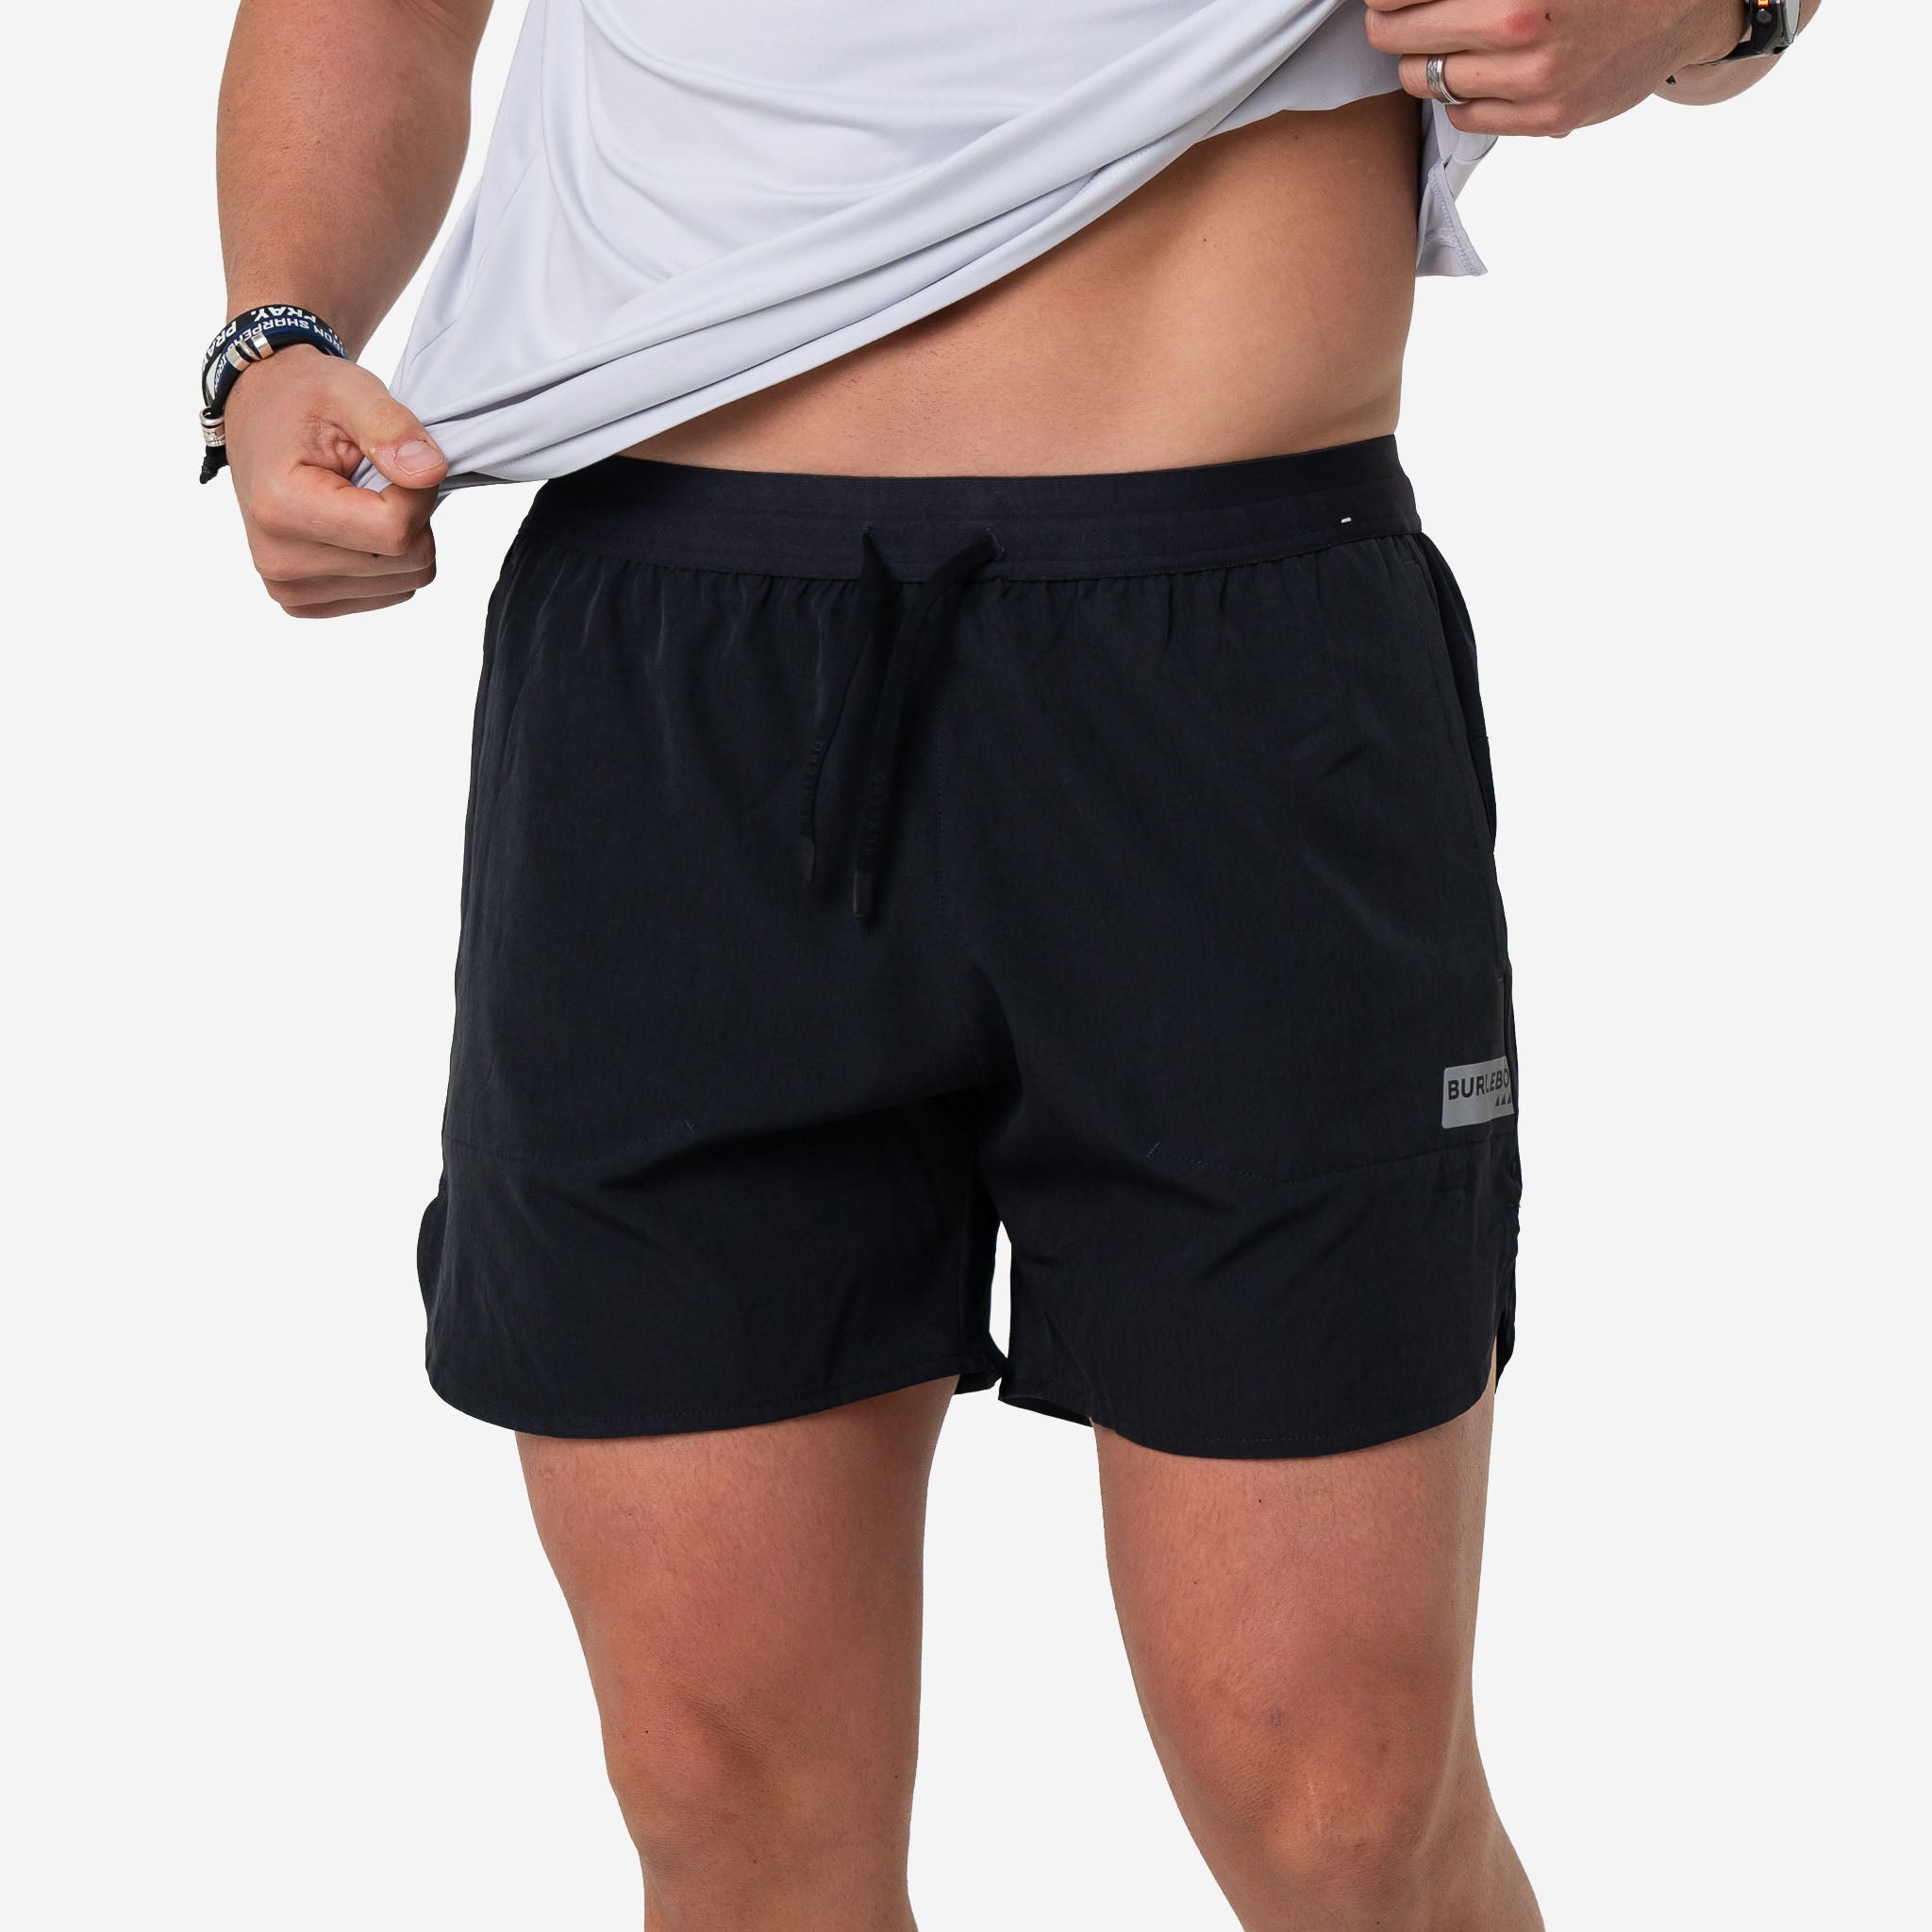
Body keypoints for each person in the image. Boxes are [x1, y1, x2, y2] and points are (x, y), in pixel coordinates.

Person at [205, 1, 1816, 1924]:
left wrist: (1714, 12)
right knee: (722, 1792)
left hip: (1234, 662)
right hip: (676, 671)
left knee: (1338, 1814)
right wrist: (274, 335)